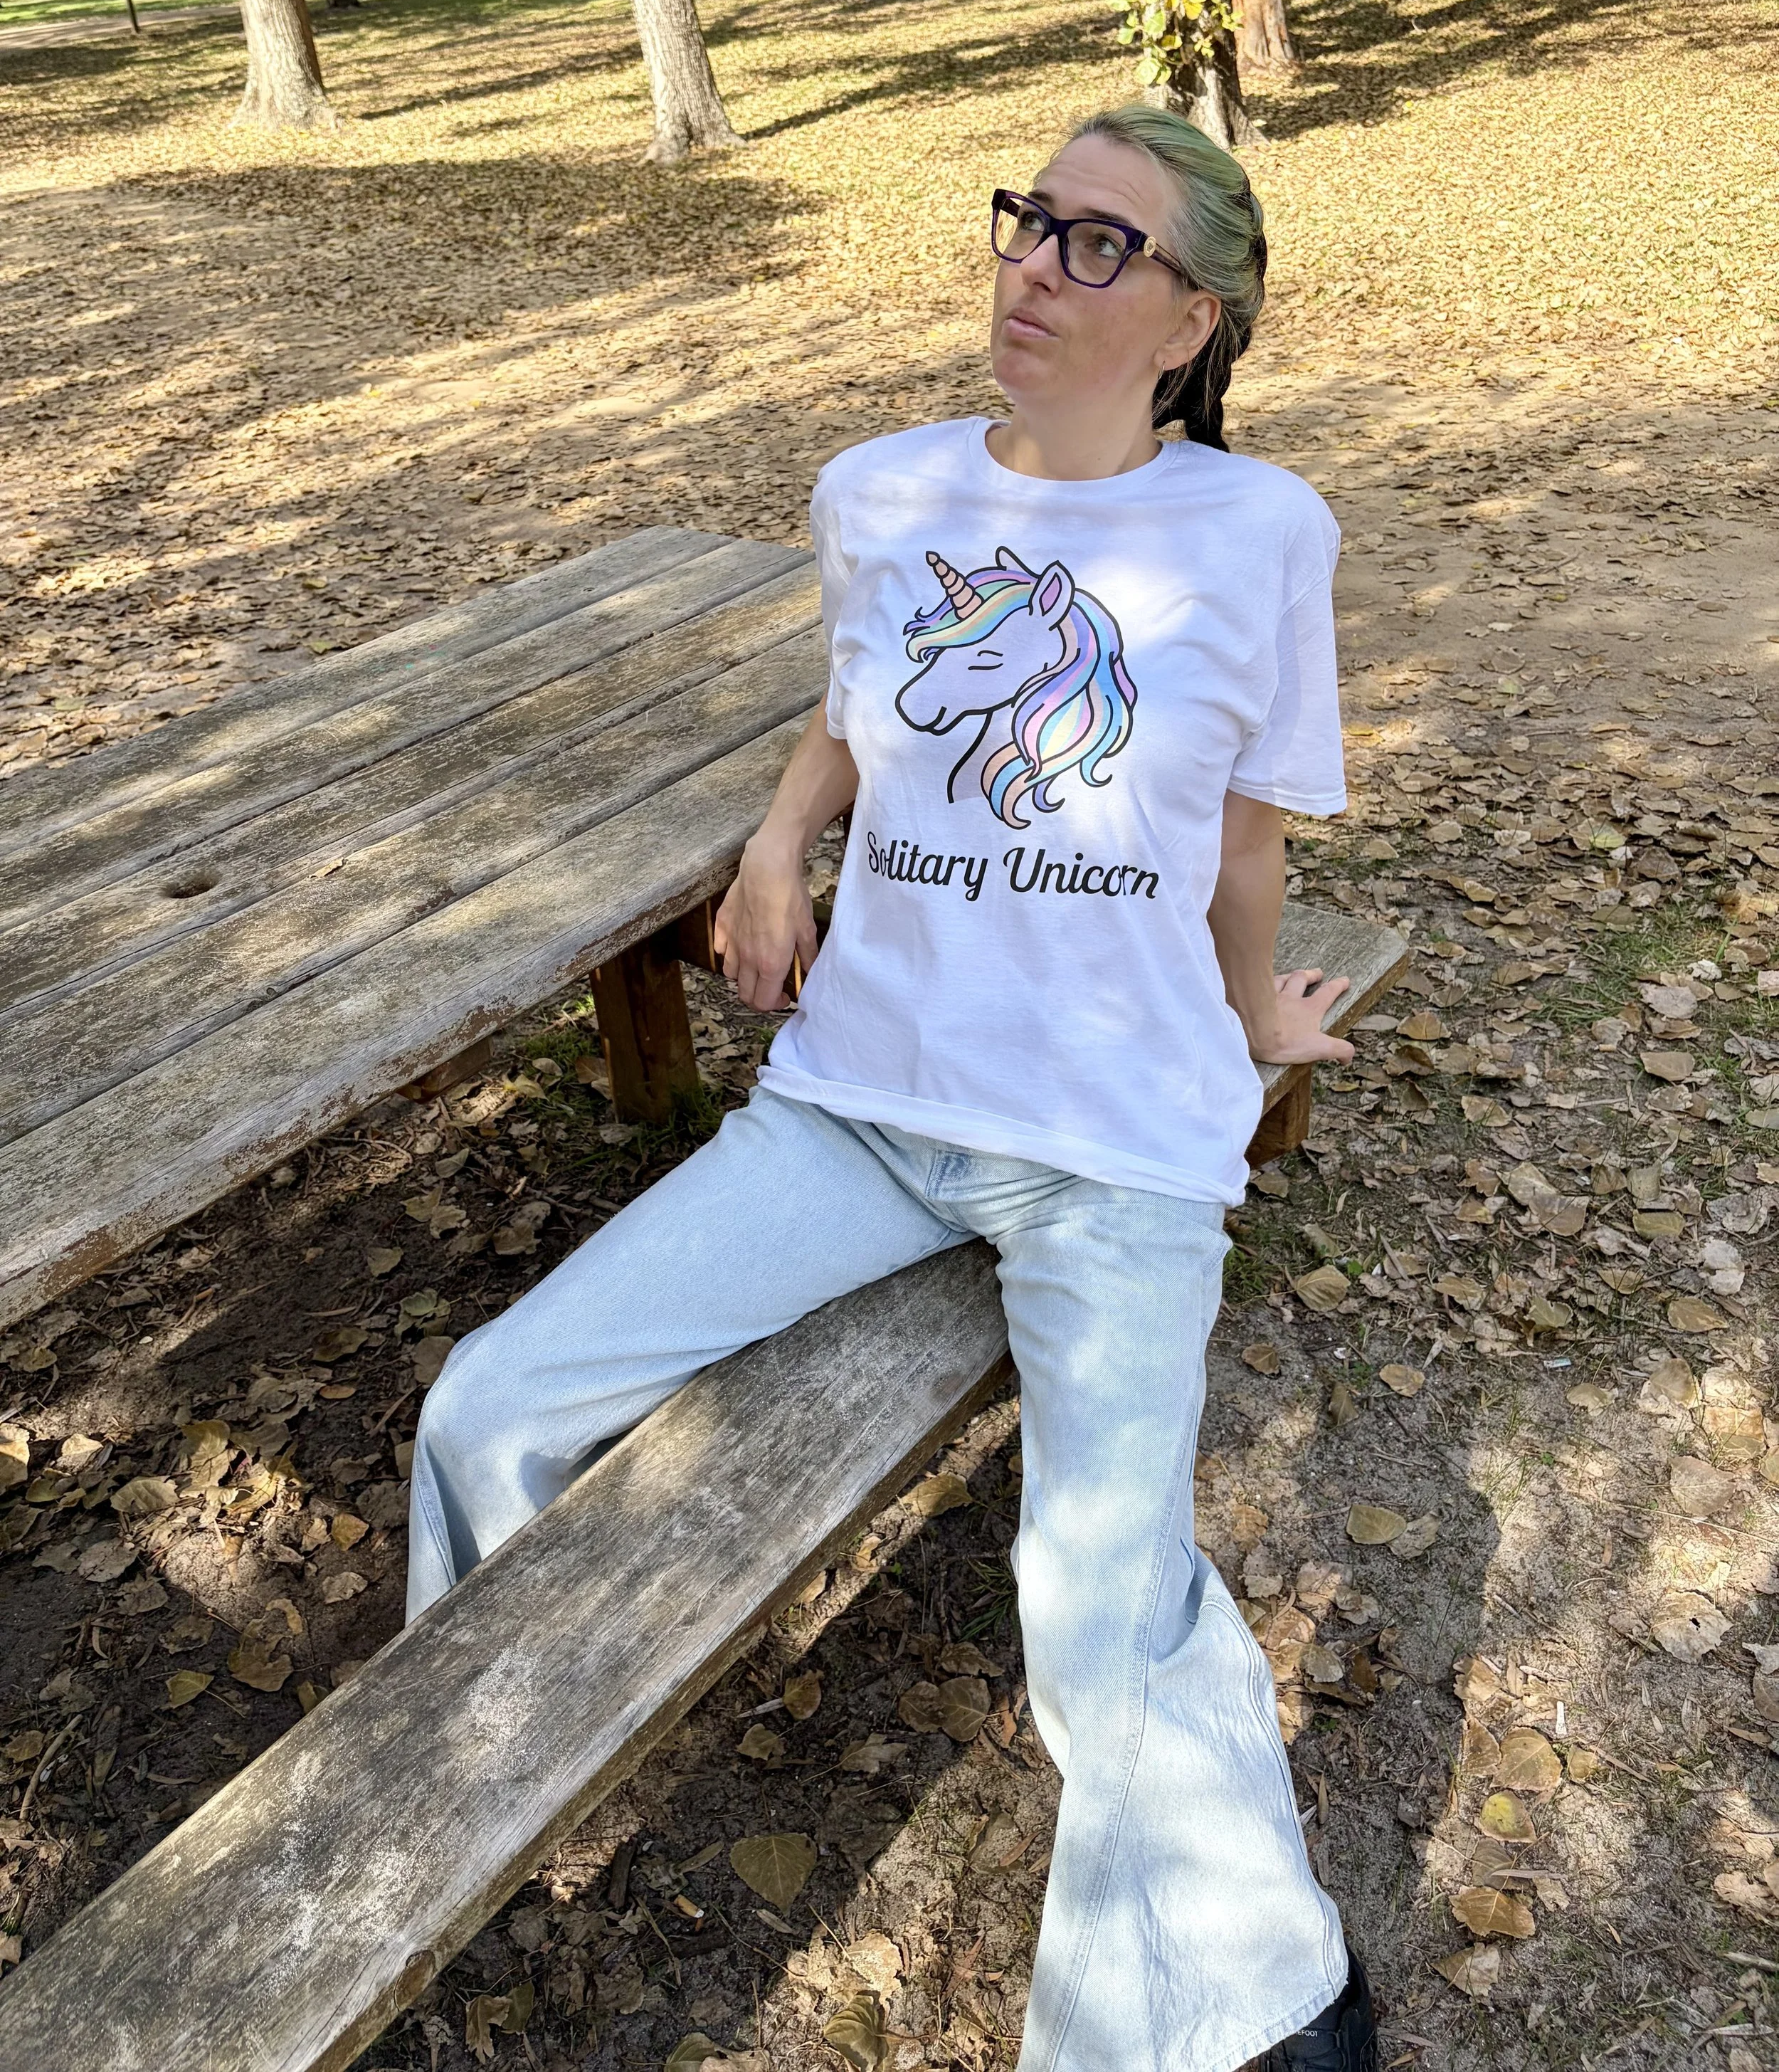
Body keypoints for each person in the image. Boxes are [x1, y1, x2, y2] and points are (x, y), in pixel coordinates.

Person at [407, 104, 1378, 2072]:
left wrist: (1248, 1026)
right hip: (855, 1106)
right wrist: (777, 847)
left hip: (1114, 1149)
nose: (1033, 264)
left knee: (1100, 1614)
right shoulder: (882, 490)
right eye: (1031, 221)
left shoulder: (1261, 532)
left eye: (1100, 244)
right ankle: (467, 1779)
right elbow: (856, 704)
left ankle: (1231, 2020)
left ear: (1191, 321)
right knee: (487, 1405)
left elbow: (1245, 841)